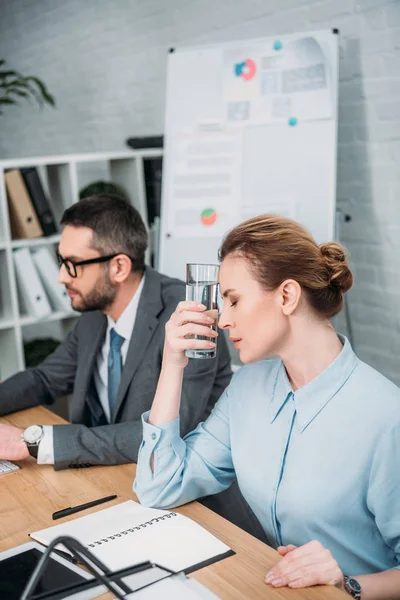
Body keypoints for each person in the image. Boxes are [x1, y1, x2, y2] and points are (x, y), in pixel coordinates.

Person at [134, 214, 400, 599]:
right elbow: (160, 487)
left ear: (287, 296)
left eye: (234, 300)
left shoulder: (385, 417)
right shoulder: (248, 389)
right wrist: (172, 364)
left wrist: (349, 585)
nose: (223, 319)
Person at [0, 194, 232, 470]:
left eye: (72, 264)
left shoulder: (189, 316)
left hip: (182, 489)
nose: (61, 277)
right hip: (111, 475)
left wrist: (35, 442)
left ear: (119, 267)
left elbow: (169, 432)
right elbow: (43, 379)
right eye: (60, 261)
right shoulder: (95, 315)